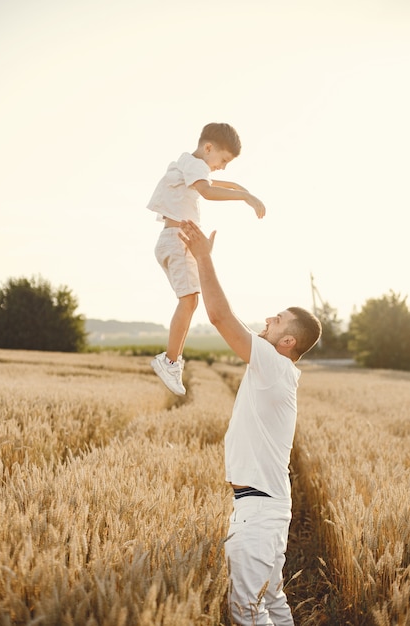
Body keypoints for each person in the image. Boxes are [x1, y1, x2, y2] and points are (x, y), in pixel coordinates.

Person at [178, 220, 322, 626]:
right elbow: (232, 320)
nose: (267, 320)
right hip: (262, 505)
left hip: (259, 510)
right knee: (271, 601)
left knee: (247, 610)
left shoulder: (274, 365)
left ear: (288, 341)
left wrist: (204, 258)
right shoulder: (276, 369)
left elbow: (221, 317)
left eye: (275, 320)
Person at [147, 122, 266, 396]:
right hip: (176, 241)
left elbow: (215, 182)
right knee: (189, 300)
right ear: (208, 148)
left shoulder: (187, 164)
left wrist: (242, 190)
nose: (222, 166)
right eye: (222, 160)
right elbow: (209, 191)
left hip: (171, 240)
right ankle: (169, 361)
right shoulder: (196, 166)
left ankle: (172, 361)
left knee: (191, 299)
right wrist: (244, 198)